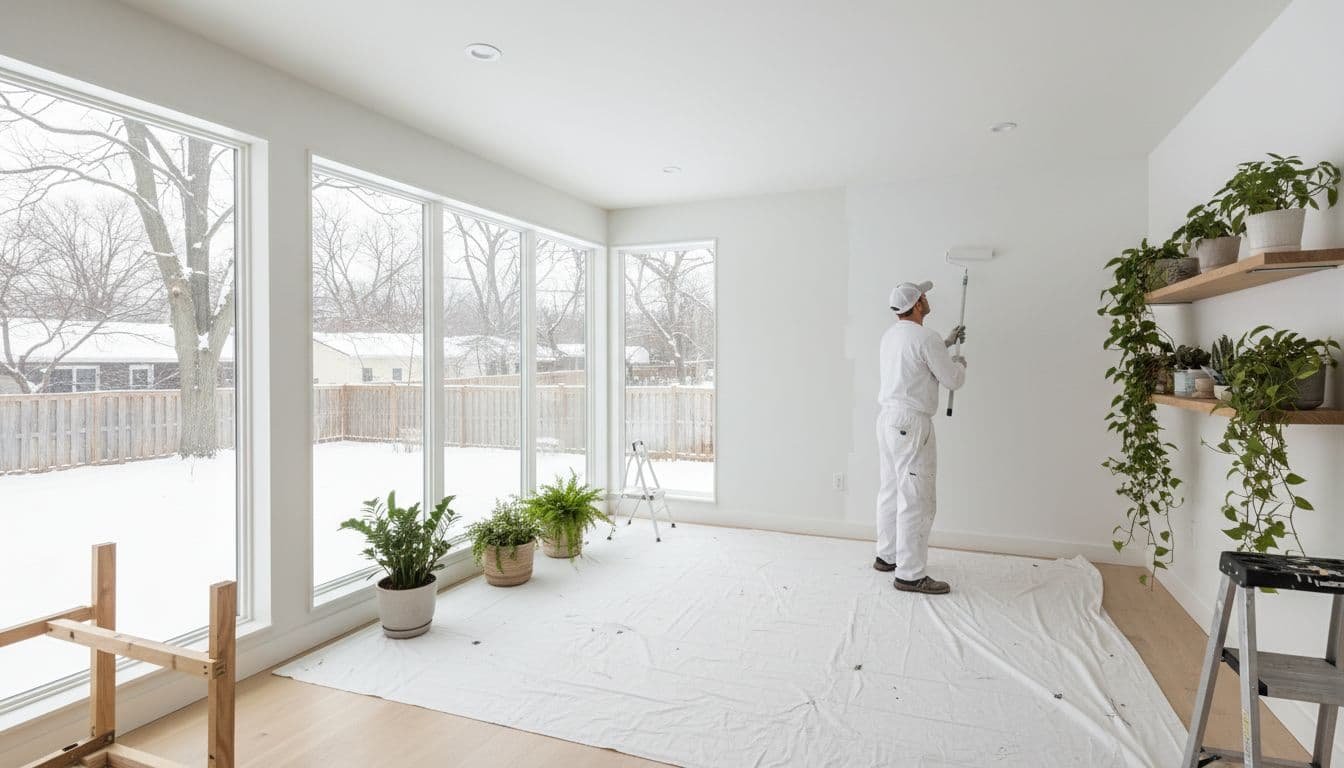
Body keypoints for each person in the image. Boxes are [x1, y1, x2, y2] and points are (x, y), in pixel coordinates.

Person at [873, 280, 966, 595]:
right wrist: (959, 363)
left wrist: (947, 342)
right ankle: (910, 574)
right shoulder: (927, 338)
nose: (927, 299)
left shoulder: (891, 335)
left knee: (890, 490)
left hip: (887, 420)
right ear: (916, 305)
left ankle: (887, 556)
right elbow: (952, 379)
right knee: (916, 497)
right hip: (911, 423)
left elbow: (913, 361)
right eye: (923, 296)